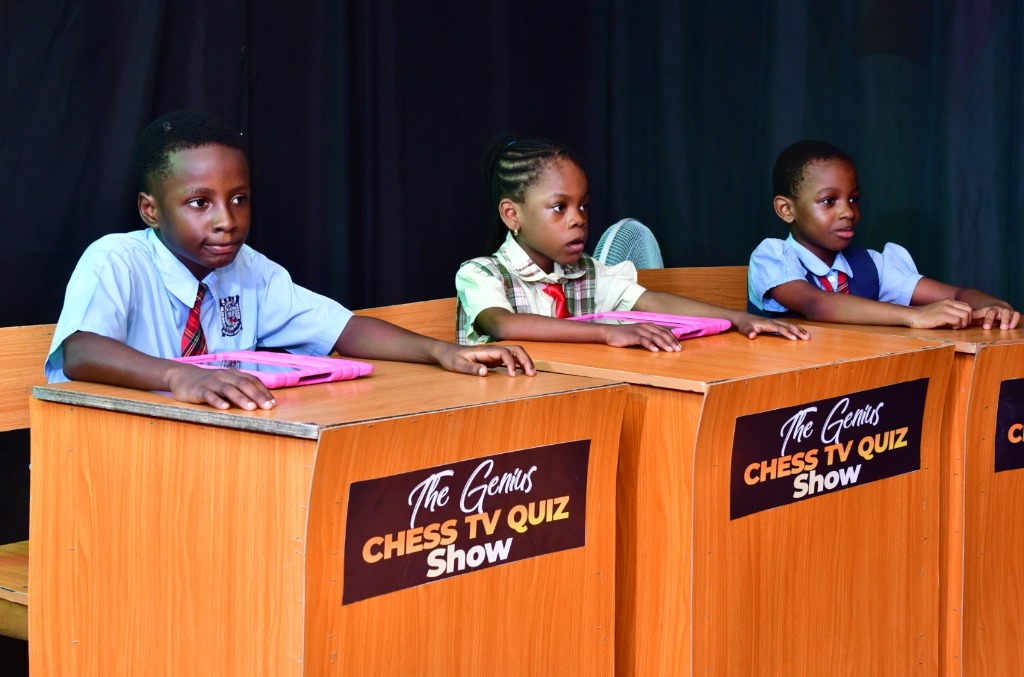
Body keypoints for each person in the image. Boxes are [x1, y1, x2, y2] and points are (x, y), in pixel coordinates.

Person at [45, 110, 535, 411]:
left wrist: (442, 352)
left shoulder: (249, 270)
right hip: (112, 460)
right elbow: (81, 352)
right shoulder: (117, 259)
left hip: (210, 457)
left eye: (239, 198)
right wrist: (179, 375)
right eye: (200, 203)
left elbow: (342, 328)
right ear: (151, 209)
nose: (226, 220)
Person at [455, 135, 809, 349]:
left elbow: (651, 300)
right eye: (560, 207)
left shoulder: (588, 273)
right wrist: (607, 335)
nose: (578, 218)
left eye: (584, 206)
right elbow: (503, 324)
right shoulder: (481, 274)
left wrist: (737, 319)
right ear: (512, 215)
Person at [748, 139, 1019, 330]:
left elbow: (958, 294)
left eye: (853, 199)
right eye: (829, 201)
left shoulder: (873, 264)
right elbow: (816, 304)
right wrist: (913, 316)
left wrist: (994, 305)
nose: (848, 212)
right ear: (786, 209)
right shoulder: (773, 256)